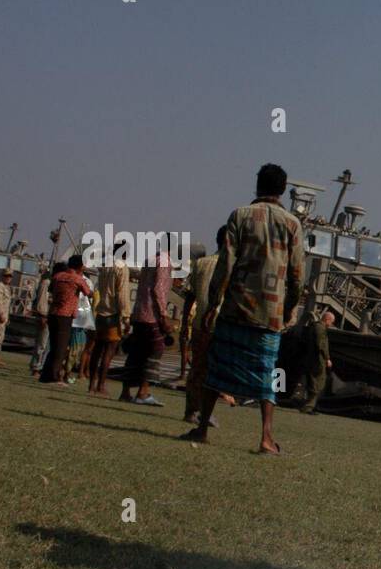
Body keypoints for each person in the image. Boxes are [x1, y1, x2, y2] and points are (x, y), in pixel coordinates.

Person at [183, 162, 304, 453]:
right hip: (270, 314)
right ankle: (265, 438)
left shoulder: (239, 216)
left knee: (217, 368)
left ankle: (201, 430)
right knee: (266, 375)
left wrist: (214, 302)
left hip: (235, 308)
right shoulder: (292, 224)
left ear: (257, 185)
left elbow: (226, 263)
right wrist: (289, 308)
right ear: (283, 190)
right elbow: (298, 274)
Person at [183, 228, 228, 424]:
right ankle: (204, 412)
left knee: (197, 370)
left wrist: (185, 324)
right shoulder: (233, 268)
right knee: (215, 372)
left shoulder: (201, 263)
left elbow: (189, 296)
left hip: (200, 323)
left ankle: (192, 410)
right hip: (221, 326)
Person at [119, 250, 174, 405]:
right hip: (152, 316)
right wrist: (164, 315)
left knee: (136, 352)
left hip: (139, 313)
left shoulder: (150, 259)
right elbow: (158, 290)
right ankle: (143, 392)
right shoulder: (165, 261)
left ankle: (125, 392)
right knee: (155, 350)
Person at [89, 242, 131, 397]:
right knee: (109, 351)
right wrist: (126, 317)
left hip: (100, 312)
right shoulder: (122, 268)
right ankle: (101, 385)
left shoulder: (105, 266)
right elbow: (122, 295)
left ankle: (91, 384)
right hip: (113, 315)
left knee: (97, 349)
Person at [39, 257, 92, 383]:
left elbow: (51, 289)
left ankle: (45, 375)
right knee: (61, 349)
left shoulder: (58, 276)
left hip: (53, 313)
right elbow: (88, 292)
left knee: (53, 346)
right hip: (65, 316)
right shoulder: (78, 279)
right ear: (79, 267)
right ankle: (54, 377)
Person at [301, 310, 334, 414]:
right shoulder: (320, 328)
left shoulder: (314, 326)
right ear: (327, 319)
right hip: (317, 360)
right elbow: (321, 344)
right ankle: (308, 407)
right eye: (331, 322)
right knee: (317, 383)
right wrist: (327, 358)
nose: (331, 324)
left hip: (312, 358)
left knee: (314, 382)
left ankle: (309, 405)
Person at [29, 265, 52, 375]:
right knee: (41, 343)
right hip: (44, 316)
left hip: (48, 316)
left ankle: (38, 365)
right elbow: (42, 301)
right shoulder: (46, 283)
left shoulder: (48, 283)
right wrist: (43, 315)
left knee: (44, 343)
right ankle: (36, 367)